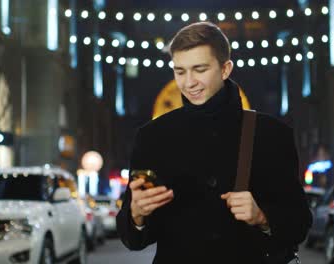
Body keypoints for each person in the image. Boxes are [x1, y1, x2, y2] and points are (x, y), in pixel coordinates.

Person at [117, 22, 312, 263]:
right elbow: (133, 240)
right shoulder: (152, 136)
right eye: (180, 71)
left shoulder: (271, 134)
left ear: (225, 68)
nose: (189, 82)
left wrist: (262, 217)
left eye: (199, 69)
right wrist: (137, 215)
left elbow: (300, 223)